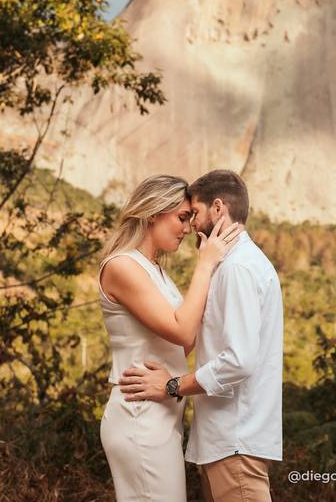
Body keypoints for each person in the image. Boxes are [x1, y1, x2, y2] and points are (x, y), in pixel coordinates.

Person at [120, 169, 283, 502]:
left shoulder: (237, 267)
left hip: (235, 442)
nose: (191, 224)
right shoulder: (231, 265)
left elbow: (238, 361)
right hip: (224, 442)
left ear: (218, 209)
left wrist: (172, 385)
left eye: (194, 214)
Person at [97, 174, 242, 501]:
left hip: (161, 417)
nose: (189, 227)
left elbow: (183, 343)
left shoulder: (156, 271)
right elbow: (181, 330)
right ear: (153, 213)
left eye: (191, 218)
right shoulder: (122, 266)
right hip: (139, 416)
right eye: (181, 217)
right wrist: (205, 264)